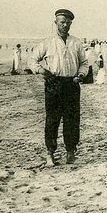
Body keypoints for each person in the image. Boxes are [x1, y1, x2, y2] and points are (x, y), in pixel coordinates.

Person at [29, 9, 88, 166]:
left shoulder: (76, 42)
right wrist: (41, 70)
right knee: (52, 120)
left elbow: (84, 63)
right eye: (62, 22)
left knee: (72, 120)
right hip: (54, 84)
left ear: (71, 24)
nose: (65, 25)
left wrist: (81, 75)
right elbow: (32, 60)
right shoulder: (47, 43)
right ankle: (50, 154)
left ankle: (70, 153)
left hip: (72, 84)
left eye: (68, 22)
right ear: (55, 23)